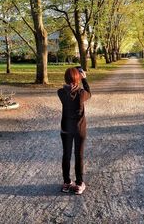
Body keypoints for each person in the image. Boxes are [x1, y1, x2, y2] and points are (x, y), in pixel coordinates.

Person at [57, 67, 91, 195]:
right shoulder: (82, 93)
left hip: (66, 129)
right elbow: (89, 93)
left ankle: (66, 183)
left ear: (65, 78)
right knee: (79, 155)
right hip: (79, 129)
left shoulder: (60, 92)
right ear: (78, 78)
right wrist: (84, 79)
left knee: (66, 155)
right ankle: (78, 184)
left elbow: (67, 89)